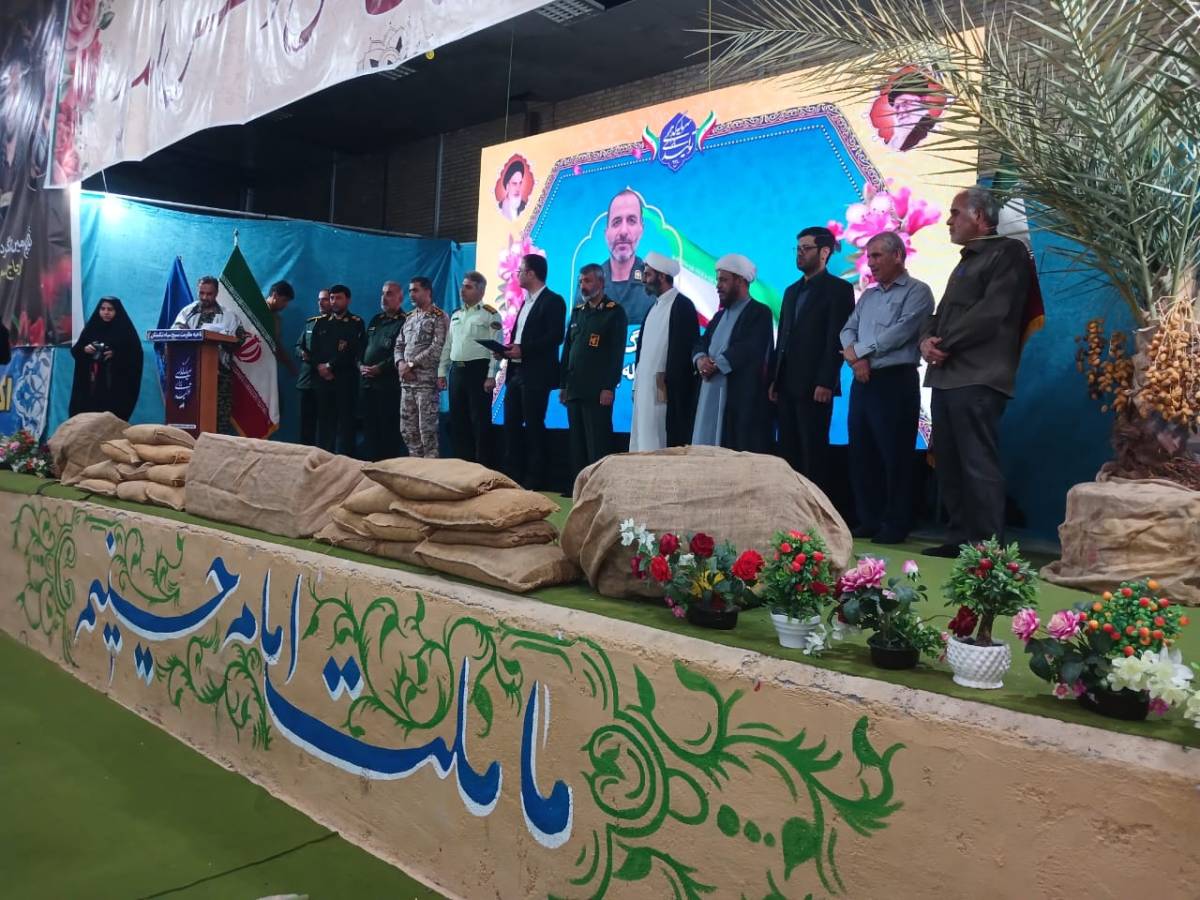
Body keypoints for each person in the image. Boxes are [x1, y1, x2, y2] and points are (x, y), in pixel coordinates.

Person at [920, 186, 1032, 557]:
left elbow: (992, 311)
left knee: (976, 461)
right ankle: (959, 538)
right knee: (949, 462)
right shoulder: (965, 261)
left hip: (979, 376)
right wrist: (925, 341)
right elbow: (939, 314)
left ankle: (985, 546)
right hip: (947, 376)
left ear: (980, 217)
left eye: (955, 213)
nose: (948, 221)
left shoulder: (1008, 252)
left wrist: (945, 343)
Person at [840, 232, 935, 544]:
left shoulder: (918, 291)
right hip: (863, 380)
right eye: (869, 256)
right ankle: (869, 519)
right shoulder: (868, 295)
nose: (870, 262)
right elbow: (848, 328)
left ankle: (896, 524)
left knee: (895, 455)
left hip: (895, 380)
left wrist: (859, 352)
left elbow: (901, 332)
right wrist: (856, 360)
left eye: (877, 255)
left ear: (898, 255)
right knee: (862, 452)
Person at [770, 226, 855, 489]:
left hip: (815, 387)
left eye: (806, 248)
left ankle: (814, 507)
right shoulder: (791, 291)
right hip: (786, 385)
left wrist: (826, 381)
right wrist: (774, 379)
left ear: (824, 252)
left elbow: (836, 338)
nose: (800, 254)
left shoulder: (839, 289)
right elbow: (782, 340)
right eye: (797, 249)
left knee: (813, 453)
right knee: (788, 452)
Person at [692, 254, 774, 452]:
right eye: (717, 280)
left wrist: (716, 365)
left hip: (740, 397)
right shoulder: (719, 316)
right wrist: (700, 359)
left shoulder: (759, 312)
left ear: (740, 281)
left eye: (723, 280)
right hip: (709, 391)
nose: (718, 286)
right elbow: (702, 342)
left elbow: (750, 348)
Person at [499, 254, 566, 489]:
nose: (516, 275)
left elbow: (555, 336)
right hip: (516, 372)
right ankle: (511, 475)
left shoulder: (553, 301)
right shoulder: (525, 301)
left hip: (536, 374)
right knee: (511, 425)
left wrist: (523, 350)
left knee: (534, 426)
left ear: (531, 273)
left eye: (520, 270)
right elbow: (520, 336)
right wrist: (507, 350)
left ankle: (535, 478)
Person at [560, 264, 627, 481]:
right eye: (581, 281)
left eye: (587, 281)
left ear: (601, 282)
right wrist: (563, 385)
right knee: (576, 443)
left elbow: (616, 354)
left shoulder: (614, 312)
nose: (583, 286)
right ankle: (579, 485)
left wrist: (609, 387)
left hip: (597, 391)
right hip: (574, 388)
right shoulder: (578, 312)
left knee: (598, 442)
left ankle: (599, 485)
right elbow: (568, 350)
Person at [630, 251, 699, 451]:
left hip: (666, 393)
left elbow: (685, 353)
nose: (644, 279)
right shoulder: (653, 308)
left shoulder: (682, 306)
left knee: (662, 441)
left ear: (661, 276)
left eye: (648, 274)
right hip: (645, 390)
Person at [438, 271, 502, 465]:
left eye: (468, 287)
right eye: (462, 286)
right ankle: (462, 466)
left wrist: (491, 375)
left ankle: (482, 467)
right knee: (458, 421)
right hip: (457, 371)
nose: (462, 290)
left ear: (481, 291)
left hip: (478, 371)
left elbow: (496, 347)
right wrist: (441, 372)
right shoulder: (456, 314)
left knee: (480, 422)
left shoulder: (490, 314)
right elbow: (448, 345)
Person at [171, 275, 244, 434]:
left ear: (216, 293)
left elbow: (240, 340)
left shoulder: (229, 316)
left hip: (219, 377)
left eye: (209, 294)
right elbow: (174, 334)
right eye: (201, 293)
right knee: (190, 417)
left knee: (218, 420)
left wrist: (222, 338)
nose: (204, 297)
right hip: (189, 375)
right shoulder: (187, 312)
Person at [395, 276, 447, 458]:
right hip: (407, 383)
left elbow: (437, 347)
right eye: (410, 290)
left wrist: (411, 364)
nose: (411, 294)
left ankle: (430, 470)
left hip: (425, 384)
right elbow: (399, 345)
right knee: (408, 431)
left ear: (427, 292)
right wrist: (400, 364)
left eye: (415, 290)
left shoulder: (438, 316)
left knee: (427, 433)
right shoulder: (409, 317)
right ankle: (414, 468)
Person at [310, 283, 364, 455]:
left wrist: (330, 366)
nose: (334, 301)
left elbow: (354, 350)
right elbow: (313, 350)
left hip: (345, 381)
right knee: (325, 424)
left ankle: (345, 460)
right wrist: (319, 366)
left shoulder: (356, 323)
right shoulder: (321, 323)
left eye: (338, 298)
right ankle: (323, 458)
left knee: (346, 425)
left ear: (348, 300)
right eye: (332, 298)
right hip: (323, 381)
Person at [69, 296, 143, 420]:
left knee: (111, 417)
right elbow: (76, 351)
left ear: (116, 311)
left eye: (110, 309)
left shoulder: (125, 331)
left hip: (114, 386)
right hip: (91, 385)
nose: (106, 312)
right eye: (102, 309)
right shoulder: (91, 328)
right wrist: (85, 350)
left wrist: (115, 354)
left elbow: (135, 355)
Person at [360, 281, 406, 460]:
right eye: (383, 293)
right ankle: (371, 466)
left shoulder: (405, 321)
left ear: (400, 298)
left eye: (389, 294)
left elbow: (403, 353)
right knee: (369, 430)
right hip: (368, 385)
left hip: (388, 386)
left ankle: (387, 467)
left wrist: (380, 368)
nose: (384, 298)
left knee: (388, 431)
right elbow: (363, 347)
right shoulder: (376, 320)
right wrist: (360, 365)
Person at [600, 189, 652, 325]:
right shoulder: (589, 281)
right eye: (616, 222)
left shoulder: (655, 284)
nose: (623, 231)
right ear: (606, 233)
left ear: (641, 229)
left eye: (631, 221)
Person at [295, 288, 330, 445]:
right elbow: (298, 346)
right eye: (319, 300)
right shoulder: (311, 322)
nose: (321, 303)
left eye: (325, 299)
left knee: (325, 427)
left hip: (324, 382)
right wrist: (301, 352)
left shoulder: (337, 324)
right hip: (306, 381)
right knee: (305, 426)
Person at [265, 280, 298, 376]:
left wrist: (289, 365)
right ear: (274, 295)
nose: (286, 305)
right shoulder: (255, 308)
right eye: (284, 300)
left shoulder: (277, 319)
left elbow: (276, 344)